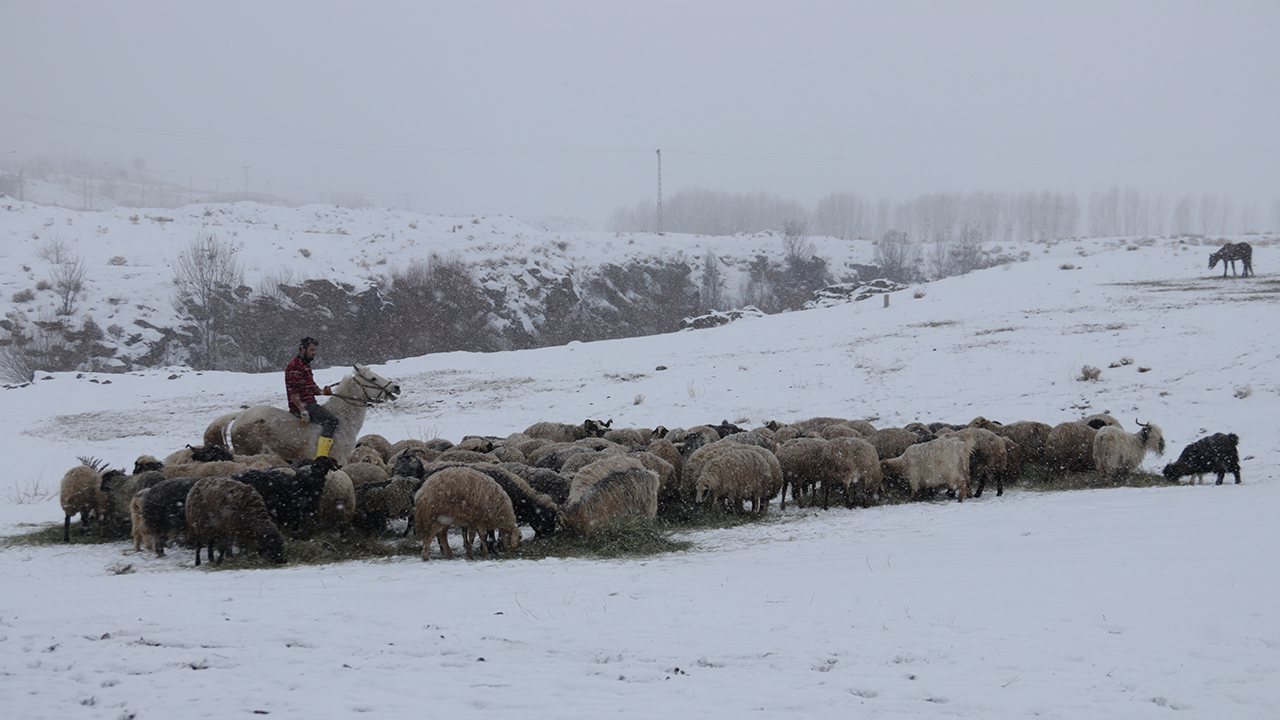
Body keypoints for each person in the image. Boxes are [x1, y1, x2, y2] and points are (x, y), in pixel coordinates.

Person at [285, 336, 339, 458]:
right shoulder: (295, 365)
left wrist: (323, 392)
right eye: (312, 350)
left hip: (310, 403)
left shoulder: (305, 365)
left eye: (315, 350)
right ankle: (322, 456)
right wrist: (302, 410)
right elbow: (293, 391)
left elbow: (311, 387)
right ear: (302, 349)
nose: (314, 353)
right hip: (304, 405)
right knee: (332, 420)